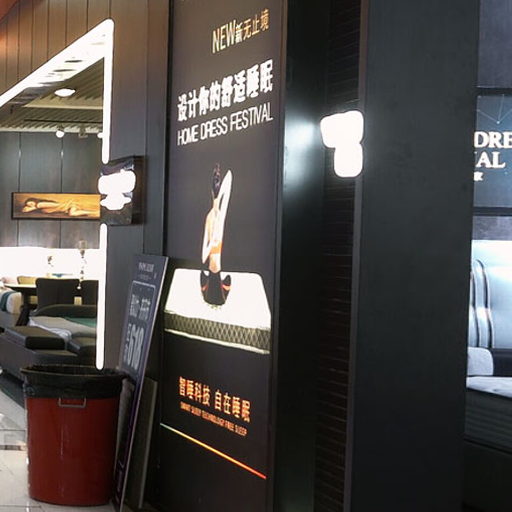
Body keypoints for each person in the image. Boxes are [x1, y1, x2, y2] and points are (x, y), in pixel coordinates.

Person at [200, 164, 233, 305]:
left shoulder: (219, 217)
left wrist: (219, 187)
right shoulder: (210, 218)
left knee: (219, 298)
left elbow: (229, 180)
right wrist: (212, 241)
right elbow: (203, 258)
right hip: (212, 270)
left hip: (216, 270)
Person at [21, 196, 99, 217]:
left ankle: (93, 212)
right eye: (29, 205)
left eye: (31, 203)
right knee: (72, 213)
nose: (31, 205)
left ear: (34, 200)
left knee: (72, 213)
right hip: (67, 208)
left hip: (69, 205)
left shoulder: (40, 204)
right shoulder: (42, 209)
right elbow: (23, 211)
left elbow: (59, 205)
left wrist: (31, 208)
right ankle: (93, 212)